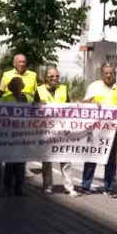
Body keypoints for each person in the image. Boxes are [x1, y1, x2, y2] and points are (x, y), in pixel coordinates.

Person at [80, 62, 117, 197]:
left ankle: (109, 187)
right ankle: (85, 185)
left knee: (111, 159)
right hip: (95, 129)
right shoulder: (94, 86)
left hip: (111, 130)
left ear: (115, 73)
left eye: (111, 73)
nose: (109, 75)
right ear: (102, 74)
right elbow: (84, 103)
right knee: (91, 155)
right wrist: (93, 103)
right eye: (106, 73)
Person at [37, 66, 77, 196]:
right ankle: (47, 185)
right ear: (46, 78)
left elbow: (70, 107)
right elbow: (32, 109)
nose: (54, 79)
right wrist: (38, 105)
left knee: (65, 159)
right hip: (46, 130)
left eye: (57, 76)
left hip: (62, 130)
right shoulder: (39, 90)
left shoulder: (63, 90)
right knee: (47, 160)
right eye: (51, 76)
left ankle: (69, 187)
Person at [0, 78, 32, 196]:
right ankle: (7, 186)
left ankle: (19, 186)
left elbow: (35, 108)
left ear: (22, 86)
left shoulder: (27, 98)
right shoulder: (5, 99)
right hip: (10, 135)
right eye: (15, 85)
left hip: (23, 135)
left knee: (21, 163)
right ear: (11, 87)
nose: (18, 87)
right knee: (10, 163)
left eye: (19, 85)